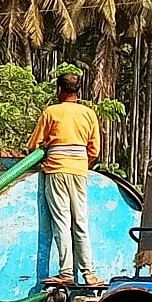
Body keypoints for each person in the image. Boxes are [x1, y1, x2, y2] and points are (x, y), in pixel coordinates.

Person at [27, 70, 101, 287]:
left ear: (59, 90)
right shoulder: (88, 114)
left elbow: (34, 145)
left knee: (61, 221)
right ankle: (90, 274)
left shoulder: (51, 112)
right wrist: (82, 164)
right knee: (81, 222)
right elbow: (94, 149)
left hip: (56, 170)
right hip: (79, 171)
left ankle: (66, 272)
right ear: (78, 91)